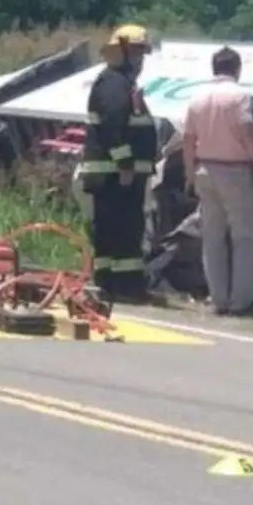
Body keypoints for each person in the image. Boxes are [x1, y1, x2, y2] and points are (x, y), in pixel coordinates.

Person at [73, 24, 165, 306]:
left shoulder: (120, 83)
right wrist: (124, 163)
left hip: (118, 175)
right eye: (137, 52)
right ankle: (124, 287)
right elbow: (112, 127)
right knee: (123, 231)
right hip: (115, 175)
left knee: (116, 231)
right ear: (122, 52)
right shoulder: (114, 84)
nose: (141, 60)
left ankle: (111, 286)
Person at [182, 46, 253, 316]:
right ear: (237, 68)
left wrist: (189, 173)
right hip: (234, 170)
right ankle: (240, 300)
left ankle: (218, 297)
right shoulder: (239, 95)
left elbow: (187, 138)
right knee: (244, 237)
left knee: (212, 238)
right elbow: (247, 131)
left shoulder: (197, 97)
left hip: (204, 169)